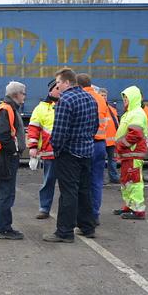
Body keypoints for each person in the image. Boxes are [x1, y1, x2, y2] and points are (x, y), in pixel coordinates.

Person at [42, 68, 99, 243]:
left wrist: (57, 150)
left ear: (67, 82)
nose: (57, 87)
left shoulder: (65, 100)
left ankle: (64, 232)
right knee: (84, 190)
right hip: (87, 151)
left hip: (69, 153)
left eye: (58, 83)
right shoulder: (90, 98)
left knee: (68, 192)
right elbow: (95, 126)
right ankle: (87, 227)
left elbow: (59, 132)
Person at [0, 81, 27, 240]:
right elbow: (3, 135)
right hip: (5, 157)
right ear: (16, 94)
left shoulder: (8, 108)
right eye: (23, 93)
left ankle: (2, 227)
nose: (24, 96)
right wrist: (14, 152)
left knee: (6, 193)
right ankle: (3, 228)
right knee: (6, 193)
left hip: (5, 156)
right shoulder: (6, 109)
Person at [77, 73, 109, 225]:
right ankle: (95, 214)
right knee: (96, 182)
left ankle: (84, 216)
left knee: (82, 182)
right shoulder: (101, 99)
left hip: (86, 144)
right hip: (101, 145)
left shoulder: (82, 98)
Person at [114, 86, 148, 219]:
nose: (124, 101)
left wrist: (122, 146)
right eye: (124, 99)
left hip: (132, 153)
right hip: (129, 154)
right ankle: (129, 206)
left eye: (126, 99)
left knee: (134, 182)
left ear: (133, 99)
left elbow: (135, 134)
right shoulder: (131, 113)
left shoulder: (136, 113)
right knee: (127, 181)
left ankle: (138, 211)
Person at [27, 79, 60, 219]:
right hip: (49, 152)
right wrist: (33, 147)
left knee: (67, 185)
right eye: (57, 88)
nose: (60, 90)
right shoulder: (40, 108)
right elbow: (33, 129)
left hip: (65, 153)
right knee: (48, 182)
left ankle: (66, 211)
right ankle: (44, 208)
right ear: (50, 90)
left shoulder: (67, 104)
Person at [99, 87, 120, 185]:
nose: (103, 97)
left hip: (111, 140)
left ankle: (114, 177)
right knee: (100, 161)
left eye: (105, 95)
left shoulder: (112, 109)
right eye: (102, 95)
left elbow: (117, 123)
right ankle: (100, 179)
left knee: (113, 161)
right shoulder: (96, 108)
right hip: (101, 140)